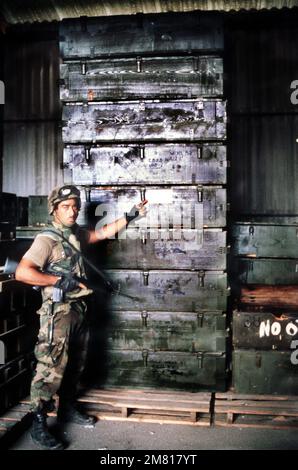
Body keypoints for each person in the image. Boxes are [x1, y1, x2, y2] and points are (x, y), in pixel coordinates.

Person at [15, 185, 147, 450]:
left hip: (80, 309)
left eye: (75, 206)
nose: (72, 211)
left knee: (76, 364)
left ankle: (68, 408)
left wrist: (130, 215)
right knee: (49, 368)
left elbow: (101, 234)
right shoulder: (46, 240)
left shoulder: (74, 234)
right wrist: (56, 280)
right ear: (54, 209)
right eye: (66, 207)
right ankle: (38, 423)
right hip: (58, 315)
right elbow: (22, 273)